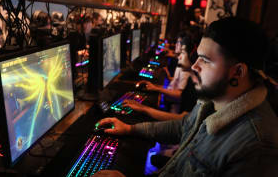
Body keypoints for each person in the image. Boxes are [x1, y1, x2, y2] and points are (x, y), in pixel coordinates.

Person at [93, 17, 278, 177]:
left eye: (205, 60)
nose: (195, 66)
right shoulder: (213, 101)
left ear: (237, 72)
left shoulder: (257, 146)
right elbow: (183, 126)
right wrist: (130, 129)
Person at [132, 36, 197, 115]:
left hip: (172, 108)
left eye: (182, 52)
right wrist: (157, 85)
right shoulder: (184, 67)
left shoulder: (186, 72)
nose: (179, 56)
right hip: (169, 101)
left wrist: (157, 89)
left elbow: (179, 95)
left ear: (190, 55)